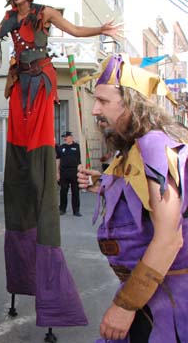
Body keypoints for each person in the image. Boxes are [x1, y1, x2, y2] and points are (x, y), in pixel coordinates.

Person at [0, 0, 120, 328]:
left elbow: (74, 30)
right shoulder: (10, 18)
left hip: (41, 79)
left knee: (39, 143)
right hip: (20, 81)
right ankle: (25, 172)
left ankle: (42, 176)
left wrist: (101, 30)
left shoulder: (45, 13)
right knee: (20, 142)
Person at [77, 53, 188, 343]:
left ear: (132, 103)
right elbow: (140, 192)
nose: (95, 110)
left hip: (168, 303)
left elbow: (169, 237)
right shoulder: (135, 148)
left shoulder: (154, 145)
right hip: (151, 296)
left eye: (103, 101)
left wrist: (126, 305)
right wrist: (102, 183)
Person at [56, 131, 81, 216]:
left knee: (75, 191)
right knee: (63, 191)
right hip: (64, 172)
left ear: (71, 137)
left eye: (66, 137)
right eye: (64, 137)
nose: (64, 138)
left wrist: (81, 170)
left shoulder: (77, 146)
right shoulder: (61, 147)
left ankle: (76, 210)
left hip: (74, 171)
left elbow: (79, 160)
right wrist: (57, 173)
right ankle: (62, 209)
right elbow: (58, 160)